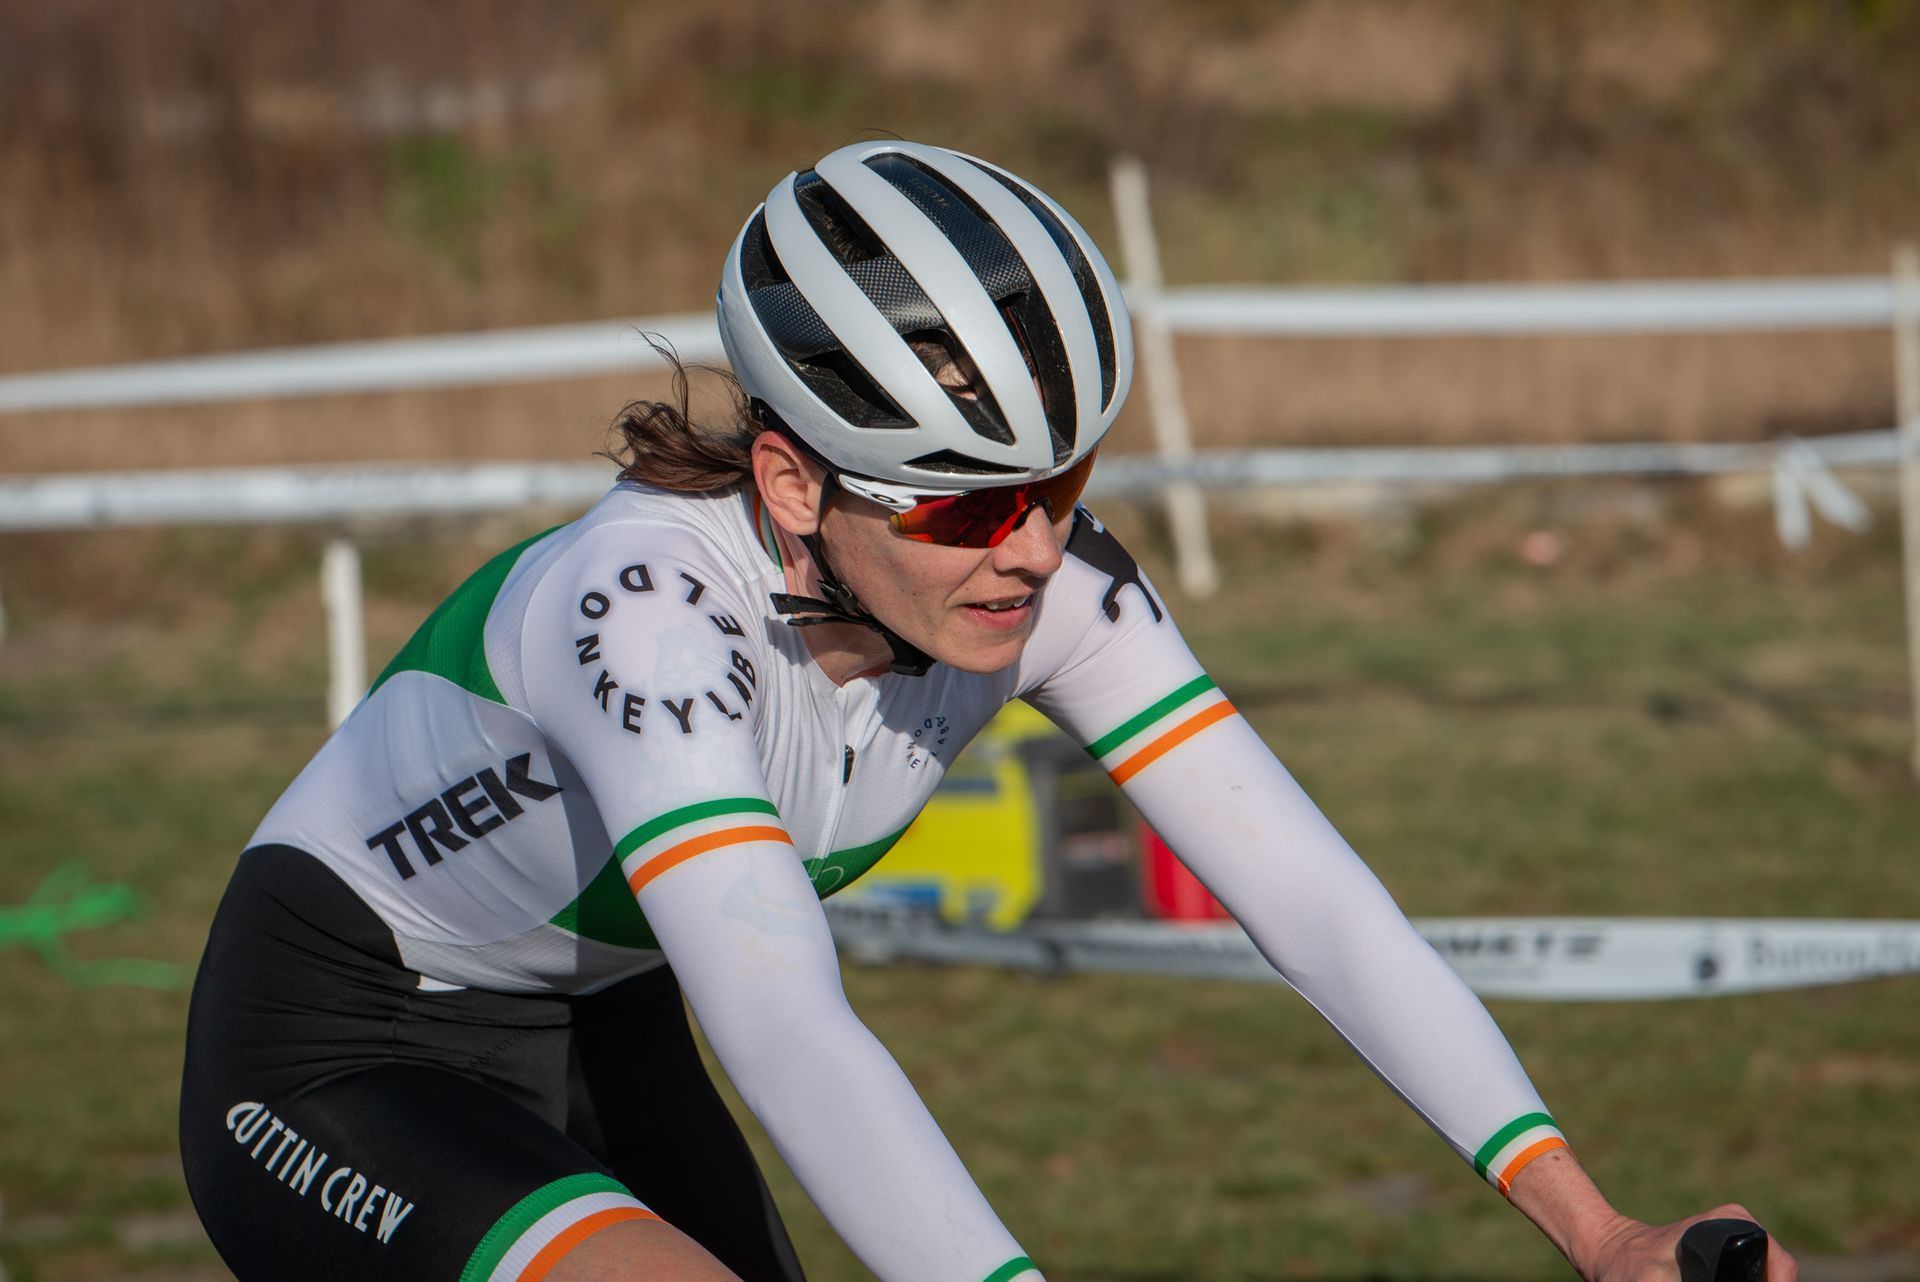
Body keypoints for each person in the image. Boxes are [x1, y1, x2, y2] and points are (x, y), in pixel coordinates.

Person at [179, 140, 1793, 1282]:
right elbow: (794, 1030)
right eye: (957, 509)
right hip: (340, 1042)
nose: (1026, 548)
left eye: (1059, 484)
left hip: (600, 1011)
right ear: (792, 480)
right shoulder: (647, 613)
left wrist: (1600, 1228)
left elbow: (1317, 903)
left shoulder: (1045, 584)